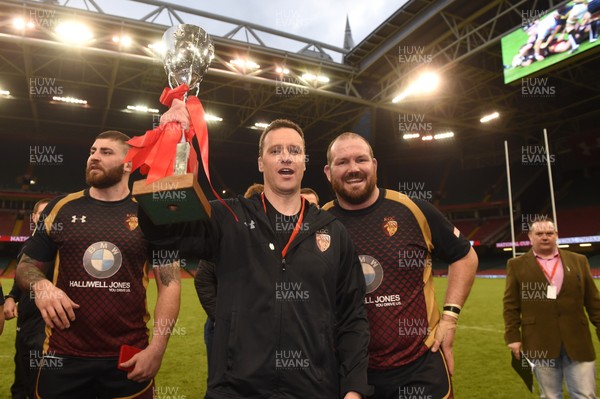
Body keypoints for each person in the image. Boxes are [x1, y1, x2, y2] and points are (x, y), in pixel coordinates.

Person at [140, 115, 371, 398]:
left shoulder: (333, 231)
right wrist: (171, 139)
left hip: (313, 390)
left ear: (304, 162)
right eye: (275, 151)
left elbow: (353, 317)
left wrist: (354, 388)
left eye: (294, 151)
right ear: (261, 163)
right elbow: (161, 228)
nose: (285, 157)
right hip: (236, 390)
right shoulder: (227, 217)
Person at [16, 130, 181, 398]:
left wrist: (157, 349)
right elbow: (25, 267)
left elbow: (170, 283)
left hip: (128, 357)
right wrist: (42, 286)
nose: (94, 157)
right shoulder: (60, 208)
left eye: (106, 152)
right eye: (93, 151)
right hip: (62, 354)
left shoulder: (151, 212)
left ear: (128, 164)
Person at [322, 132, 478, 399]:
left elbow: (464, 256)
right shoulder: (318, 224)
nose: (353, 169)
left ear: (374, 164)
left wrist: (450, 319)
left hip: (420, 366)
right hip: (350, 374)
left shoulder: (413, 210)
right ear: (328, 171)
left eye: (361, 159)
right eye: (342, 162)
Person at [503, 219, 600, 398]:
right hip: (539, 340)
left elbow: (593, 300)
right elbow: (511, 305)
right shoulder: (516, 265)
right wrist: (513, 337)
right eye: (539, 234)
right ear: (530, 237)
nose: (545, 237)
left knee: (585, 394)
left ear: (556, 235)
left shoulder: (579, 260)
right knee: (550, 395)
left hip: (578, 339)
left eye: (549, 233)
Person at [4, 198, 51, 399]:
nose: (44, 218)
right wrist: (11, 297)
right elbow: (20, 278)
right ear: (33, 217)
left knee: (38, 378)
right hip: (25, 320)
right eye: (41, 214)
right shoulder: (28, 245)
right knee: (21, 371)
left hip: (46, 321)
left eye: (49, 215)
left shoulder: (59, 246)